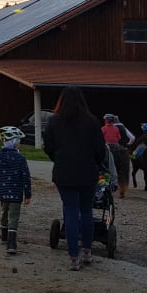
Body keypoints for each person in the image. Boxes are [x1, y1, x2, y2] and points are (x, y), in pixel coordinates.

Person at [43, 86, 109, 271]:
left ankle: (73, 258)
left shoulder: (54, 121)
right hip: (88, 172)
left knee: (70, 212)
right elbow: (100, 149)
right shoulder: (91, 121)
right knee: (86, 211)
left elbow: (48, 146)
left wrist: (58, 158)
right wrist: (95, 163)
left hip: (64, 172)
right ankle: (87, 251)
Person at [0, 125, 32, 255]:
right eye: (18, 141)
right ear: (14, 142)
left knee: (4, 211)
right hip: (17, 192)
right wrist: (27, 194)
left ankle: (4, 236)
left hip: (3, 191)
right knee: (14, 216)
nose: (20, 144)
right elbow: (26, 177)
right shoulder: (21, 158)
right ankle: (11, 244)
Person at [101, 114, 131, 199]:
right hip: (117, 147)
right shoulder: (116, 128)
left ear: (106, 120)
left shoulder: (103, 128)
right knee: (121, 170)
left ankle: (103, 187)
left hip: (107, 147)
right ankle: (122, 189)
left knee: (103, 168)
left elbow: (100, 138)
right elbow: (118, 138)